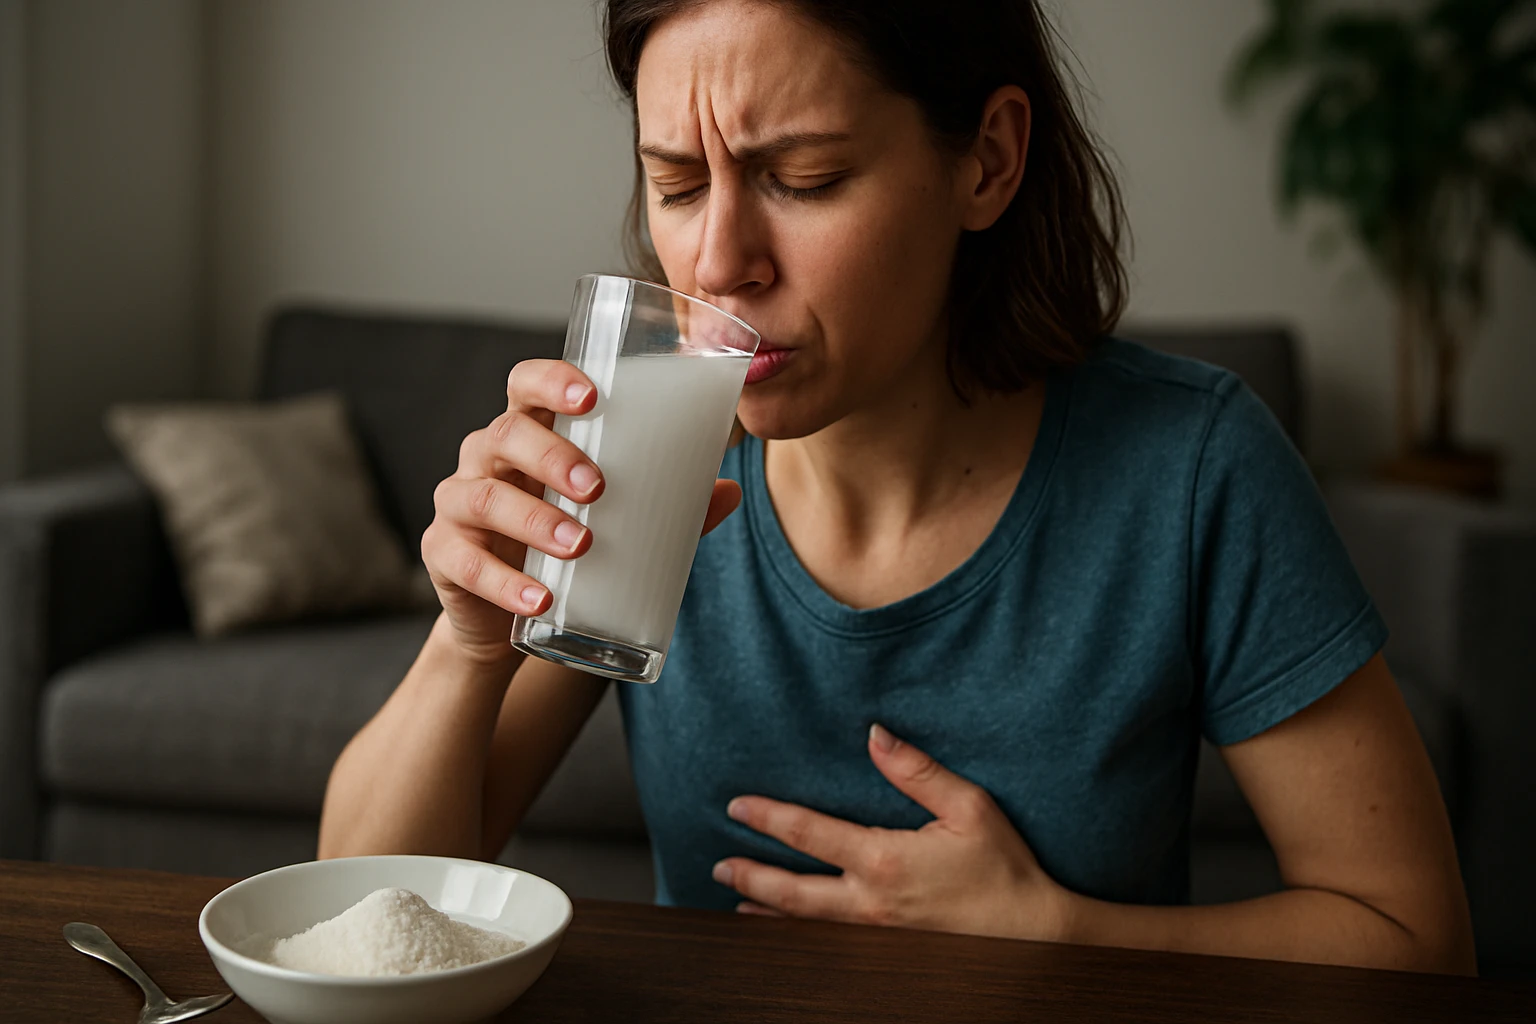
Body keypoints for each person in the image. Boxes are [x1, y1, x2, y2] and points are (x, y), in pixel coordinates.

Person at [319, 0, 1475, 974]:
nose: (720, 262)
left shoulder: (1191, 467)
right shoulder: (644, 454)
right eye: (677, 183)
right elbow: (361, 917)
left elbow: (1417, 940)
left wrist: (1060, 932)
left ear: (988, 160)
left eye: (804, 178)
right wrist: (467, 643)